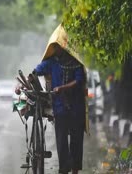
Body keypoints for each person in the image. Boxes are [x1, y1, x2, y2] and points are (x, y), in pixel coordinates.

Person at [16, 25, 87, 174]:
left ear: (65, 46)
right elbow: (37, 70)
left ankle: (75, 170)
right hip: (59, 106)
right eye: (54, 46)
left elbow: (79, 81)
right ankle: (64, 169)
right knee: (61, 140)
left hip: (76, 106)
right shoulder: (52, 62)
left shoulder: (77, 63)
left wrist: (62, 88)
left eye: (58, 46)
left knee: (76, 140)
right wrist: (24, 81)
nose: (56, 49)